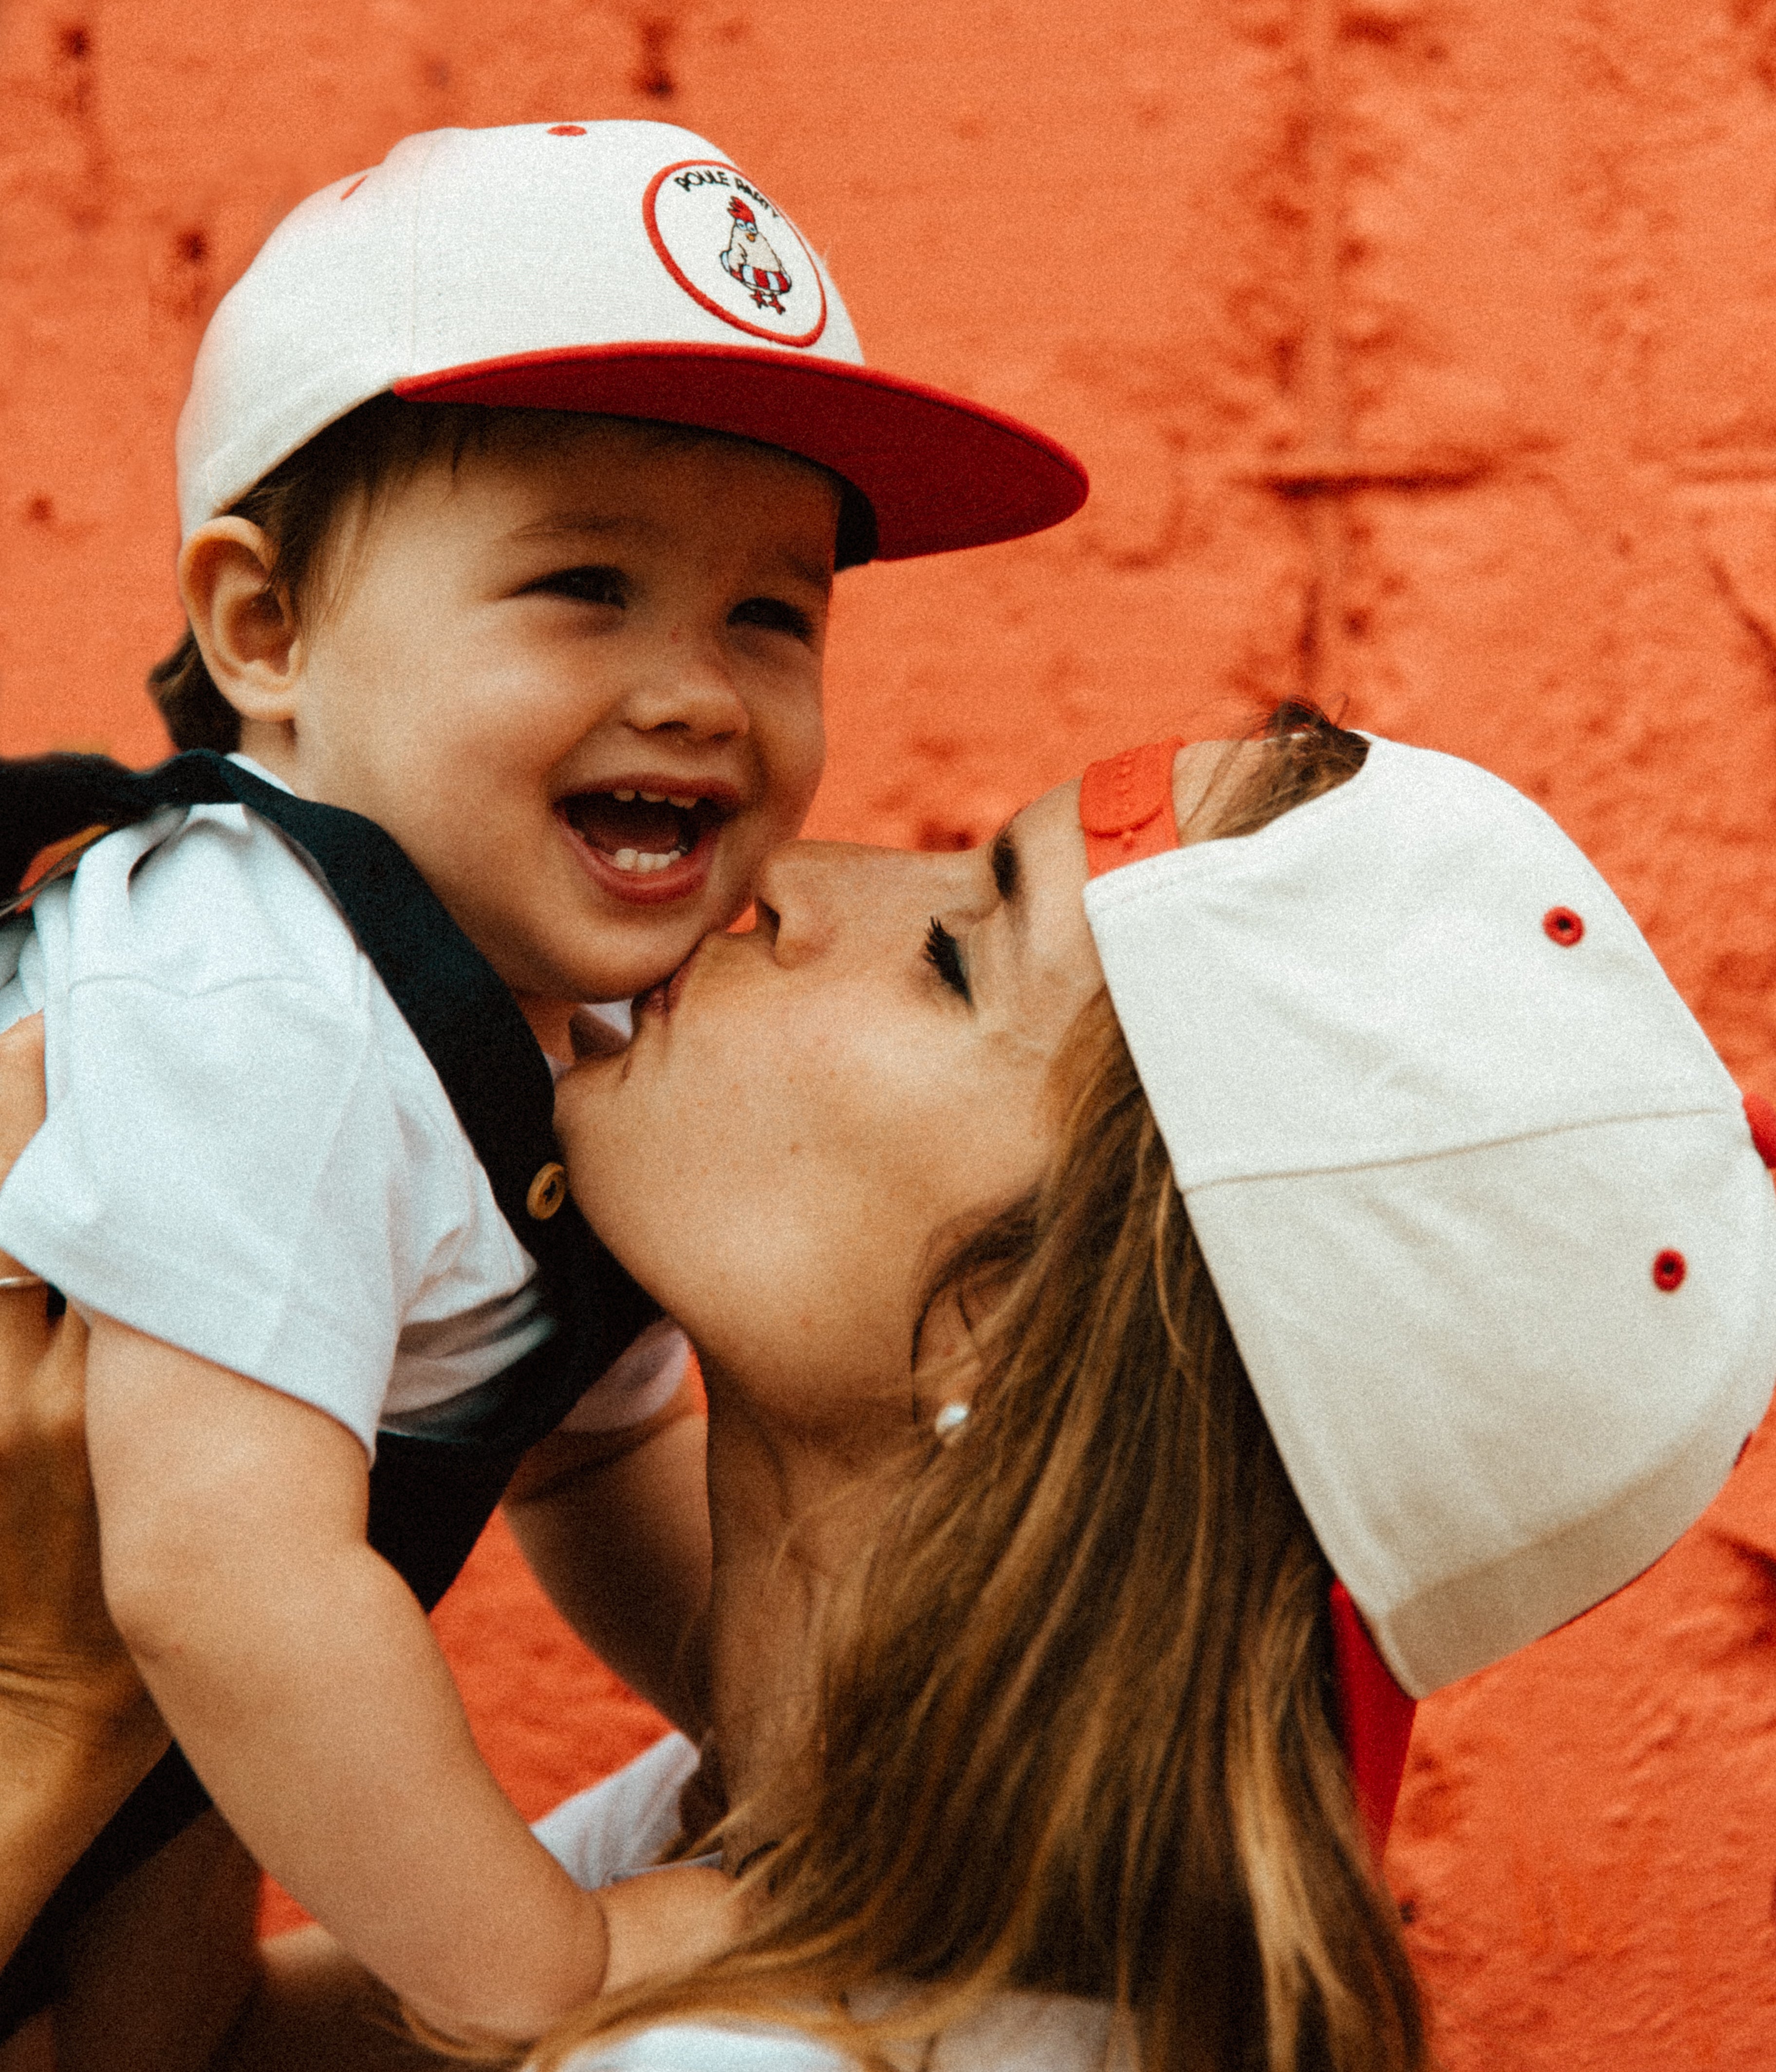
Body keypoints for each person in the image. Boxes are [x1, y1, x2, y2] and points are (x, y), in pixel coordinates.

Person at [4, 704, 1773, 2072]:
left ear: (1009, 1331)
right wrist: (234, 1457)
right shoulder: (814, 1882)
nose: (790, 873)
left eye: (953, 955)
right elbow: (181, 2054)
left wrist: (41, 1701)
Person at [0, 116, 1086, 2053]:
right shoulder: (265, 992)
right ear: (267, 630)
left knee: (167, 1994)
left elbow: (587, 1445)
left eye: (772, 613)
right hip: (127, 1641)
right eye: (584, 583)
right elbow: (220, 1575)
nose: (696, 688)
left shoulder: (554, 1039)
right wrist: (540, 1960)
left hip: (106, 1714)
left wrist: (817, 1790)